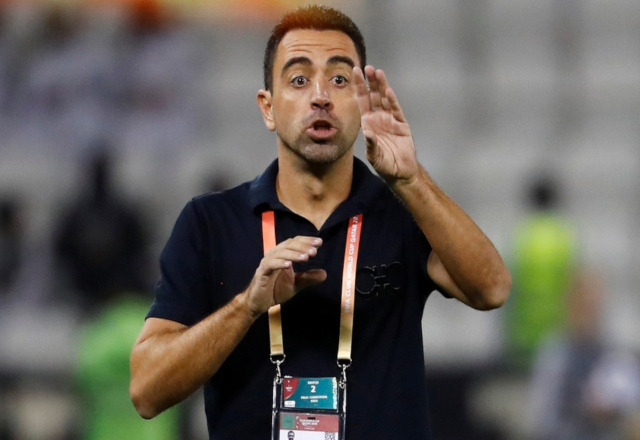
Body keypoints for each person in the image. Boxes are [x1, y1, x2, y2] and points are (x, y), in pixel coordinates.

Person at [130, 5, 511, 439]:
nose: (321, 96)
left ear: (361, 103)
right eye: (299, 79)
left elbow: (491, 289)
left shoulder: (405, 213)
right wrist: (247, 306)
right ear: (268, 108)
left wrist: (411, 179)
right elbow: (146, 391)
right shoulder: (210, 223)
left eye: (340, 79)